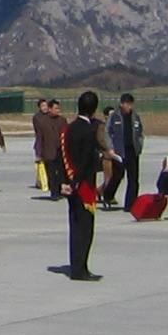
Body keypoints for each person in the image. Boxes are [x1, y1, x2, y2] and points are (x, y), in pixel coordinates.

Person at [58, 90, 104, 281]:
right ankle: (80, 269)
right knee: (85, 229)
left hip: (69, 183)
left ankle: (77, 265)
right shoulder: (88, 131)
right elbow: (86, 161)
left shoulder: (68, 129)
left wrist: (64, 181)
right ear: (94, 109)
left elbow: (60, 156)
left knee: (75, 226)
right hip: (83, 185)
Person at [101, 94, 144, 211]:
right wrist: (110, 148)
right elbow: (107, 132)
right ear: (122, 104)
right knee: (117, 176)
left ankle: (130, 204)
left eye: (131, 104)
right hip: (118, 151)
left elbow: (140, 133)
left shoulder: (135, 117)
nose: (129, 106)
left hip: (132, 150)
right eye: (127, 104)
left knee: (133, 178)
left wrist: (140, 146)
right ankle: (107, 195)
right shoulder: (114, 116)